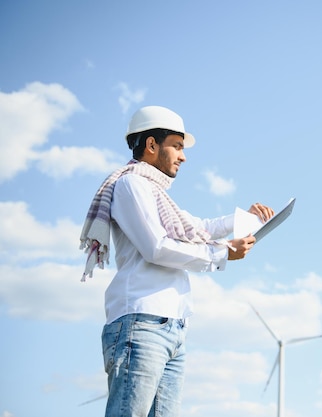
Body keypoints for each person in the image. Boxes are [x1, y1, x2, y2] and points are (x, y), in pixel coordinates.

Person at [79, 105, 274, 417]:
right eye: (177, 146)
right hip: (141, 324)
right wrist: (222, 253)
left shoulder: (157, 193)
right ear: (152, 145)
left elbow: (197, 227)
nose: (183, 156)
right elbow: (156, 246)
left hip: (172, 328)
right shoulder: (132, 185)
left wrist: (245, 219)